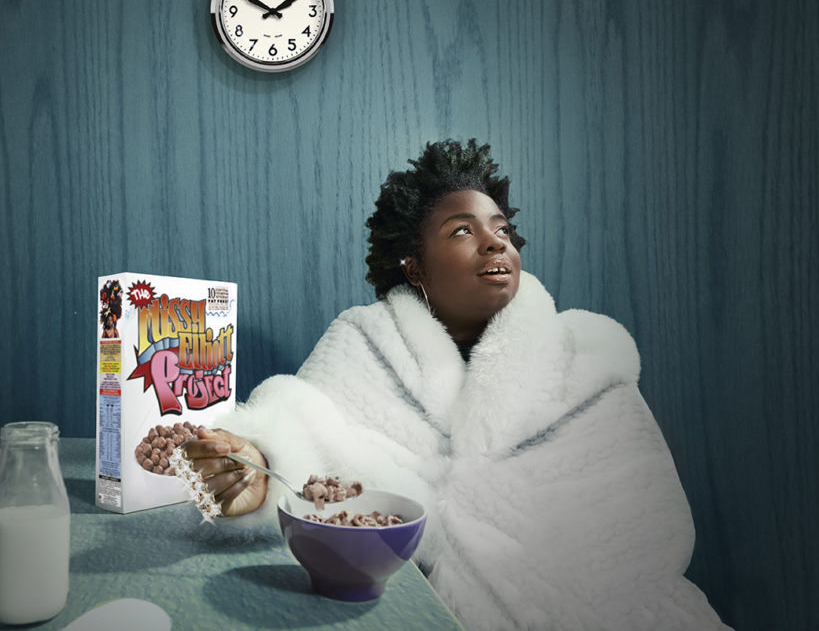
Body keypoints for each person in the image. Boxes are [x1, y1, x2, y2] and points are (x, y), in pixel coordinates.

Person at [184, 139, 732, 630]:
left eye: (502, 230)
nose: (495, 244)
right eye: (463, 231)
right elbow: (301, 438)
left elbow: (650, 529)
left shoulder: (586, 359)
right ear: (415, 267)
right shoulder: (364, 341)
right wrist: (258, 470)